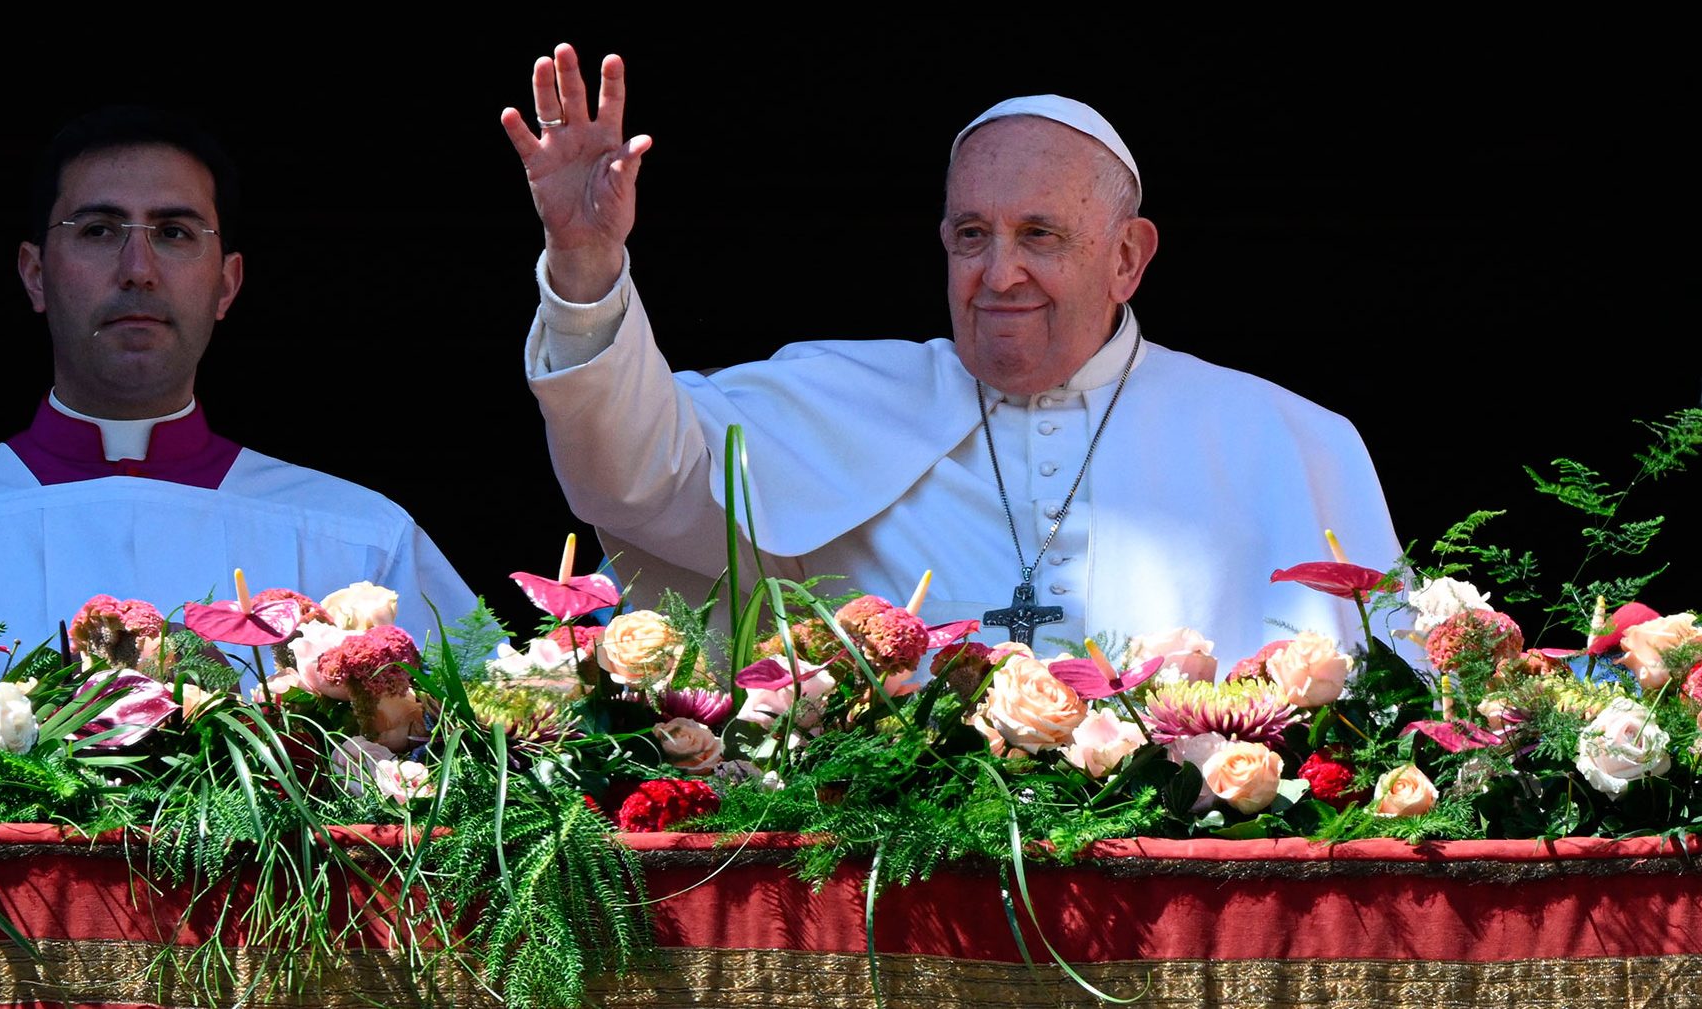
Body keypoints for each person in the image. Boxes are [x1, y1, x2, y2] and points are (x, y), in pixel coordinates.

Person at [506, 45, 1403, 664]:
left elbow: (1389, 717)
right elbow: (634, 475)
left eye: (1039, 234)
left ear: (1126, 257)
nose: (998, 271)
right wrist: (586, 266)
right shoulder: (843, 398)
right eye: (971, 233)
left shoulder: (1283, 439)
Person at [0, 106, 473, 653]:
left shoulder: (360, 539)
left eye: (175, 231)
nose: (138, 268)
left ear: (226, 283)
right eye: (97, 229)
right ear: (35, 273)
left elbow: (506, 758)